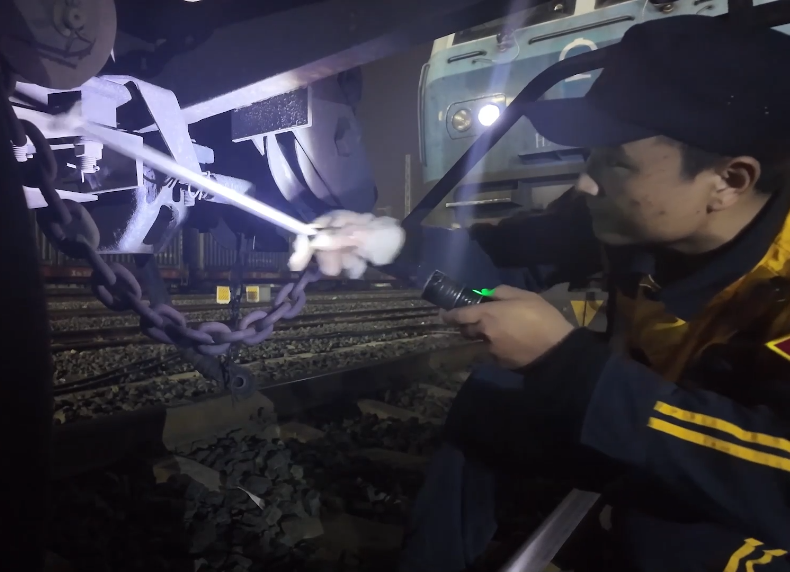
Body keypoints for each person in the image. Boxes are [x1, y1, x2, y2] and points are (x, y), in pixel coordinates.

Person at [289, 15, 790, 572]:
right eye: (592, 154)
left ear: (730, 181)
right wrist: (392, 244)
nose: (586, 182)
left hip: (756, 493)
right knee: (496, 399)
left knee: (669, 541)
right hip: (661, 426)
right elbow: (503, 261)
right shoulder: (624, 219)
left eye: (616, 162)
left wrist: (564, 363)